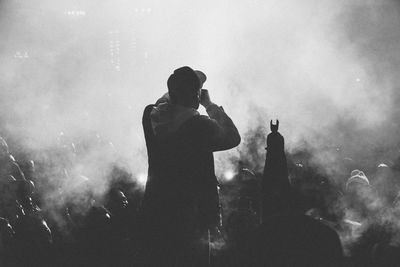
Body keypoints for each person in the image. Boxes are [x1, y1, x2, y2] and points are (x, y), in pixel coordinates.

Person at [142, 66, 241, 266]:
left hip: (158, 209)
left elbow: (166, 101)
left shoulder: (151, 115)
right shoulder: (200, 125)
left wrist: (182, 88)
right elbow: (233, 137)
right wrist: (210, 105)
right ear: (194, 95)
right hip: (192, 215)